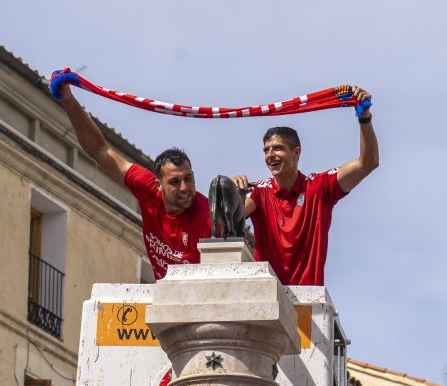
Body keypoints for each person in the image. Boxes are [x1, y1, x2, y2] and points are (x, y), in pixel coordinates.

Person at [55, 84, 211, 280]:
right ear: (158, 185)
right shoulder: (146, 187)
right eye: (175, 181)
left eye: (189, 179)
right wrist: (67, 98)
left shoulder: (208, 217)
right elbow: (100, 150)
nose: (185, 188)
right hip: (164, 296)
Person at [232, 86, 379, 286]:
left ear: (296, 152)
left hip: (309, 304)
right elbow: (230, 222)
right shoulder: (260, 192)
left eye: (277, 148)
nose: (270, 155)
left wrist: (364, 117)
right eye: (266, 150)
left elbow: (368, 163)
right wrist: (233, 197)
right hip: (267, 302)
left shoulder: (319, 187)